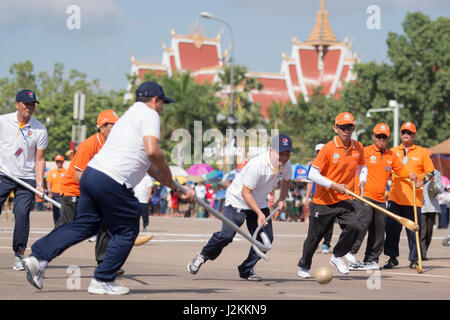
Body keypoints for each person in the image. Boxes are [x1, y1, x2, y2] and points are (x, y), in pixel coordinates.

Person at [22, 81, 195, 295]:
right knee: (127, 229)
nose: (162, 108)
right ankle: (102, 279)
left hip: (92, 175)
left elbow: (146, 164)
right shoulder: (150, 115)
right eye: (162, 103)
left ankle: (37, 257)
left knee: (85, 225)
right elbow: (153, 152)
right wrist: (169, 176)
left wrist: (174, 185)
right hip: (112, 181)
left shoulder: (127, 118)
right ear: (155, 100)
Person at [187, 134, 293, 281]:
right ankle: (203, 255)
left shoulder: (286, 165)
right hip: (238, 201)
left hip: (259, 203)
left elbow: (287, 180)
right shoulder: (257, 165)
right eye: (281, 153)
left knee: (265, 240)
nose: (284, 157)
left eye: (287, 153)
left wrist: (281, 199)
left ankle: (246, 269)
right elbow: (245, 192)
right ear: (271, 150)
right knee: (227, 235)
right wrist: (259, 214)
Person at [297, 112, 366, 278]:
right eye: (342, 127)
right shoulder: (328, 149)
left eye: (349, 127)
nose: (346, 130)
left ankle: (337, 256)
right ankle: (304, 266)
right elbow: (312, 175)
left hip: (344, 199)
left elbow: (363, 167)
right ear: (336, 128)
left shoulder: (358, 147)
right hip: (323, 201)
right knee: (314, 237)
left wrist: (362, 181)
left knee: (355, 226)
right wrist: (334, 185)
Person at [344, 123, 417, 270]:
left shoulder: (392, 155)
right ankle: (349, 254)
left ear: (388, 138)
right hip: (363, 196)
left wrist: (410, 174)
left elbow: (401, 170)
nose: (381, 139)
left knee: (379, 230)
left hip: (380, 199)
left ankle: (371, 259)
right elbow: (349, 166)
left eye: (384, 137)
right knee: (362, 224)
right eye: (378, 136)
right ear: (373, 136)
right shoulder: (364, 151)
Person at [0, 89, 48, 271]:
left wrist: (40, 184)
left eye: (32, 104)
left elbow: (40, 159)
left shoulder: (40, 129)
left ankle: (19, 255)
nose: (29, 107)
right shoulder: (3, 121)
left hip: (27, 179)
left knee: (21, 213)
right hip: (4, 174)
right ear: (17, 104)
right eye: (26, 104)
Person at [383, 122, 435, 269]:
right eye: (403, 132)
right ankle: (392, 258)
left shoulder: (422, 152)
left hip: (413, 198)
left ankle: (414, 259)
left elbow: (431, 171)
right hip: (395, 197)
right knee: (391, 229)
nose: (406, 134)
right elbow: (385, 170)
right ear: (400, 134)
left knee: (413, 231)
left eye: (409, 132)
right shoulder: (392, 151)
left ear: (414, 135)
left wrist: (421, 182)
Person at [304, 143, 334, 254]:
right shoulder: (312, 166)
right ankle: (313, 243)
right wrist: (307, 197)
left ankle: (326, 244)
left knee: (329, 223)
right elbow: (310, 183)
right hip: (315, 199)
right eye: (317, 151)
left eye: (321, 151)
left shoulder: (330, 165)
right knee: (314, 222)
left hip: (328, 198)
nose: (319, 153)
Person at [420, 169, 444, 259]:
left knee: (429, 232)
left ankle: (424, 250)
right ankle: (422, 253)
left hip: (432, 206)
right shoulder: (418, 170)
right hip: (421, 205)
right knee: (423, 231)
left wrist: (434, 185)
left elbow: (441, 189)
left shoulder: (436, 172)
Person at [46, 155, 67, 225]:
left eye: (60, 161)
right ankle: (56, 226)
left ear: (63, 162)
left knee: (62, 212)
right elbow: (49, 182)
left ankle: (62, 226)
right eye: (57, 161)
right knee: (55, 212)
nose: (59, 163)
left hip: (62, 195)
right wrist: (49, 192)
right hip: (54, 194)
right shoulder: (52, 172)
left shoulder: (66, 172)